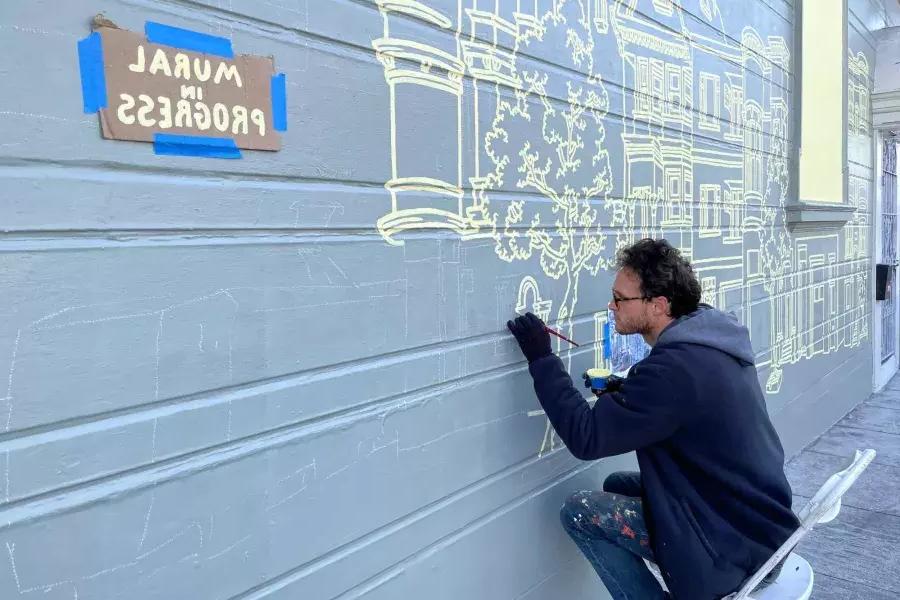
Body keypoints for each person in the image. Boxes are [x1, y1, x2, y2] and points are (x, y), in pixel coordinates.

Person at [507, 238, 799, 600]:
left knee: (579, 511)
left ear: (658, 305)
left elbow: (586, 437)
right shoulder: (709, 341)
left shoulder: (673, 369)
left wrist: (541, 357)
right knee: (616, 482)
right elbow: (678, 406)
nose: (611, 306)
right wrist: (621, 390)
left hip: (733, 548)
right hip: (760, 525)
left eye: (620, 299)